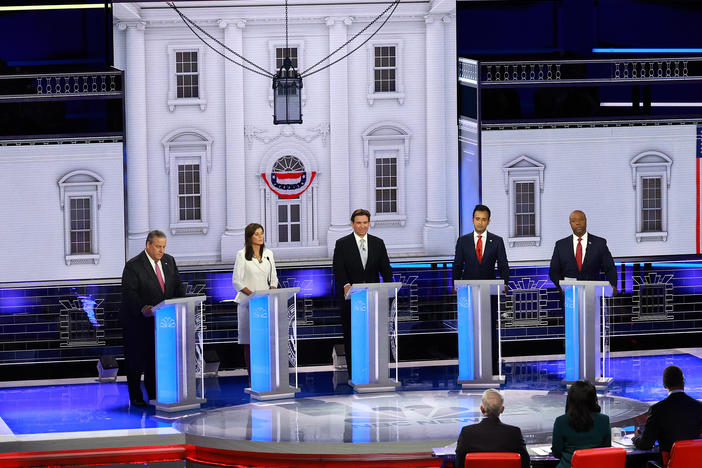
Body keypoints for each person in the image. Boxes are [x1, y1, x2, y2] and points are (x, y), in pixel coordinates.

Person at [120, 230, 186, 407]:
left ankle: (155, 395)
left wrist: (183, 302)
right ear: (148, 245)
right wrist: (143, 308)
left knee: (155, 360)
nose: (161, 250)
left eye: (164, 247)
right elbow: (129, 293)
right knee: (136, 362)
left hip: (163, 322)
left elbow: (177, 286)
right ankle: (135, 397)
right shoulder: (133, 265)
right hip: (139, 323)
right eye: (158, 246)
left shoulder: (169, 261)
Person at [332, 209, 393, 372]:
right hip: (351, 299)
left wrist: (388, 288)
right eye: (358, 223)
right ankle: (355, 373)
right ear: (352, 224)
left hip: (373, 298)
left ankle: (375, 370)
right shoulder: (342, 244)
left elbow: (386, 269)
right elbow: (338, 269)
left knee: (373, 335)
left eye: (365, 222)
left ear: (369, 223)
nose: (362, 226)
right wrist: (346, 285)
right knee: (353, 335)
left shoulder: (378, 243)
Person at [452, 204, 509, 373]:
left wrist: (505, 282)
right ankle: (469, 365)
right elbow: (457, 265)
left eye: (484, 220)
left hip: (489, 292)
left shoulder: (496, 241)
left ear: (488, 221)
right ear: (472, 220)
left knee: (490, 328)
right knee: (469, 328)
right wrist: (455, 284)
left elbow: (503, 265)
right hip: (467, 293)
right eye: (477, 219)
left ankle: (492, 367)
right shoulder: (463, 241)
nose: (480, 223)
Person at [232, 223, 278, 382]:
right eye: (257, 234)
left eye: (262, 233)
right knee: (250, 342)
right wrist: (254, 297)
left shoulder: (268, 254)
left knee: (265, 342)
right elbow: (237, 282)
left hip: (265, 304)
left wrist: (271, 291)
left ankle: (267, 376)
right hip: (248, 304)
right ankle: (253, 378)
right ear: (249, 236)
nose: (260, 236)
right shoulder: (241, 254)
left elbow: (274, 278)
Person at [632, 365, 702, 455]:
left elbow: (646, 445)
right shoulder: (698, 406)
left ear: (665, 385)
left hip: (669, 463)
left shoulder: (657, 409)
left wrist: (636, 437)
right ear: (683, 382)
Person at [455, 389, 530, 468]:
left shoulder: (467, 433)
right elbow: (525, 463)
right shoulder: (514, 433)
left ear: (482, 409)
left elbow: (459, 463)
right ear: (502, 409)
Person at [549, 210, 618, 294]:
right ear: (570, 223)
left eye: (581, 219)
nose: (578, 223)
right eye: (574, 221)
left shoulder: (599, 243)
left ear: (586, 221)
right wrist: (562, 287)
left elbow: (610, 268)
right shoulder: (561, 245)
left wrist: (613, 285)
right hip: (569, 296)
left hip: (593, 294)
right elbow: (553, 271)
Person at [551, 380, 611, 468]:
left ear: (571, 399)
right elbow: (606, 449)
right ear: (593, 399)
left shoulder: (561, 421)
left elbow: (556, 452)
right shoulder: (604, 420)